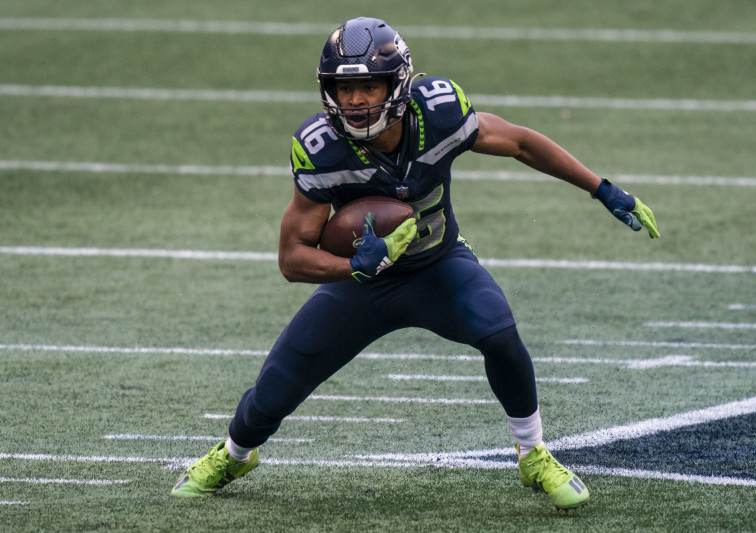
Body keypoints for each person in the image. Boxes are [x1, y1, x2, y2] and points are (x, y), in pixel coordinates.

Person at [171, 17, 659, 509]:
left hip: (438, 266)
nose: (356, 100)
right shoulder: (323, 149)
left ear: (397, 83)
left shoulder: (439, 114)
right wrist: (355, 268)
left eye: (368, 85)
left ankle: (532, 453)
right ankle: (235, 454)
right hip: (363, 285)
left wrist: (602, 189)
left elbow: (520, 142)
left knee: (501, 336)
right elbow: (291, 259)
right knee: (278, 384)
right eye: (345, 88)